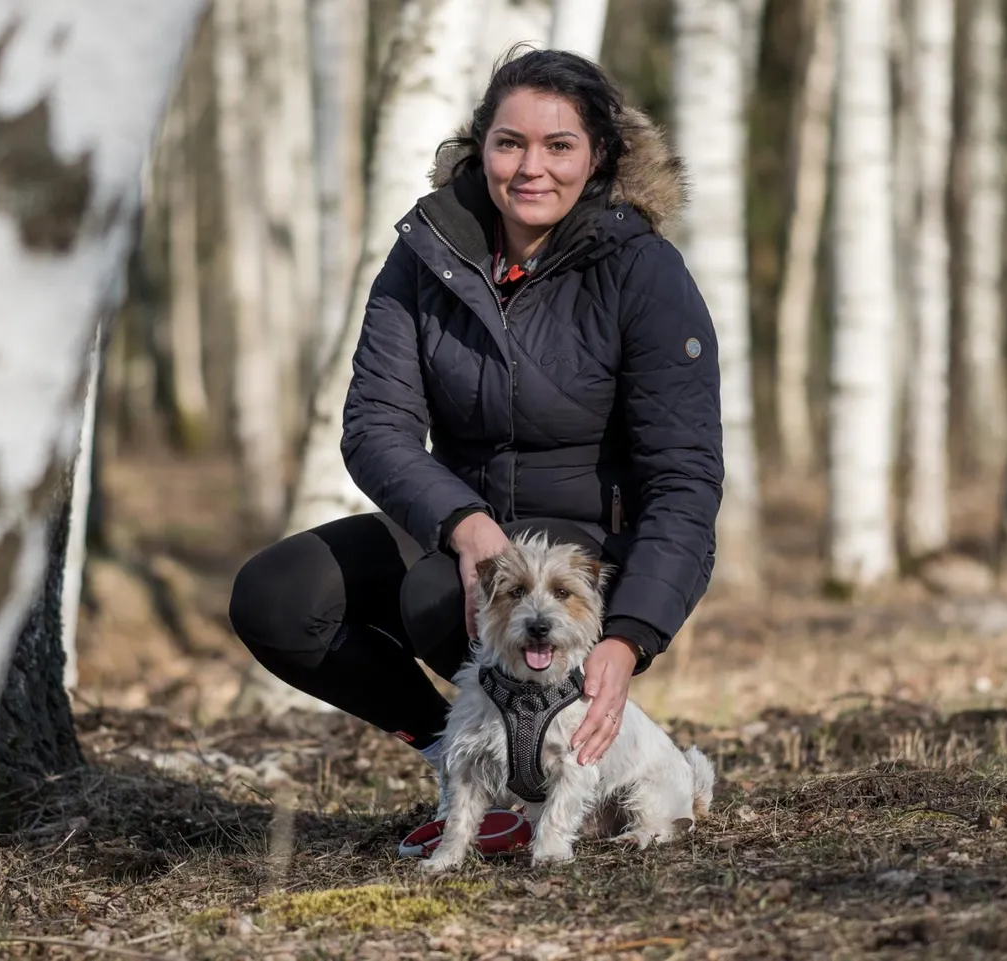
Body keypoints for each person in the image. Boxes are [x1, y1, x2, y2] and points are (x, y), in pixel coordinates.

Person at [227, 47, 723, 849]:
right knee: (278, 596)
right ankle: (463, 770)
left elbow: (685, 480)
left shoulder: (645, 271)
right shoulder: (427, 254)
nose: (532, 168)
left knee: (438, 597)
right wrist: (462, 522)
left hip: (582, 560)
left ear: (598, 155)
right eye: (509, 143)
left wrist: (629, 635)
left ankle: (545, 778)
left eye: (559, 146)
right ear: (479, 147)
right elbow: (375, 424)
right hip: (455, 524)